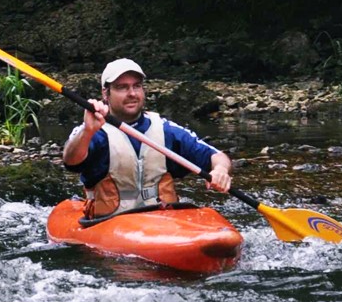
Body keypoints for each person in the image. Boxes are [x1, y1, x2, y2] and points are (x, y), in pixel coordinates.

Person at [62, 57, 232, 219]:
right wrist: (87, 131)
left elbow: (216, 156)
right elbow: (71, 161)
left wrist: (220, 171)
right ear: (106, 93)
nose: (132, 93)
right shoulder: (94, 130)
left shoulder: (166, 130)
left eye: (137, 86)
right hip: (109, 221)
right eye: (122, 87)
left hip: (163, 218)